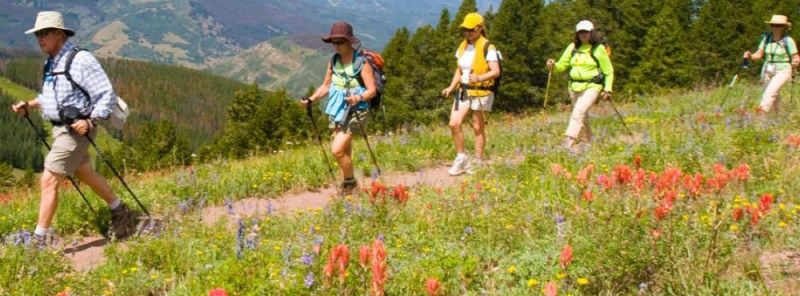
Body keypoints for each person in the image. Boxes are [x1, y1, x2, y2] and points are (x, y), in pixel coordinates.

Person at [10, 11, 138, 247]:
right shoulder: (51, 61)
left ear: (59, 33)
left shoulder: (80, 60)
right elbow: (51, 96)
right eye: (38, 34)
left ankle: (39, 239)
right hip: (60, 129)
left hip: (76, 131)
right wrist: (29, 104)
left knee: (48, 179)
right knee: (84, 173)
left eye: (45, 33)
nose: (40, 39)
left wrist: (91, 121)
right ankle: (121, 210)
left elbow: (106, 95)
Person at [300, 21, 377, 194]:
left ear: (349, 41)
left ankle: (350, 184)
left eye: (340, 42)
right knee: (344, 150)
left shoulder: (361, 62)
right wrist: (311, 100)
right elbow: (326, 86)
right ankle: (349, 185)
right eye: (333, 42)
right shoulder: (333, 61)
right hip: (337, 109)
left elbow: (372, 90)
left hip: (357, 110)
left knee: (337, 150)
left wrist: (358, 97)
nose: (336, 46)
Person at [441, 12, 501, 176]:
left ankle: (478, 161)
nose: (467, 33)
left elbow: (495, 71)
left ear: (480, 28)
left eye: (471, 29)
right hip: (464, 90)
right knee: (454, 123)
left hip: (482, 92)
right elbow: (459, 70)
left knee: (477, 127)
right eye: (465, 30)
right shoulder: (463, 46)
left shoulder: (488, 47)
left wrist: (480, 77)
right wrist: (451, 86)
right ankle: (462, 158)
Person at [546, 20, 614, 154]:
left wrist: (607, 88)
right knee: (582, 116)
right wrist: (553, 65)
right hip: (574, 87)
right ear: (577, 34)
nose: (583, 34)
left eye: (586, 32)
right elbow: (561, 66)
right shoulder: (572, 47)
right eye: (580, 32)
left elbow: (608, 71)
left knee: (578, 112)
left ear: (591, 32)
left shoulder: (598, 48)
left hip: (592, 86)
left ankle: (568, 144)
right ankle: (589, 142)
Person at [743, 15, 800, 114]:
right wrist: (750, 56)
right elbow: (759, 54)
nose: (775, 27)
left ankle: (761, 113)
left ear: (783, 27)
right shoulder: (766, 38)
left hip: (783, 69)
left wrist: (796, 62)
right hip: (767, 68)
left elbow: (795, 56)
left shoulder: (788, 40)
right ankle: (777, 117)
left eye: (779, 25)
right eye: (773, 25)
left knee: (770, 92)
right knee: (773, 96)